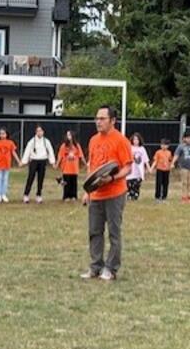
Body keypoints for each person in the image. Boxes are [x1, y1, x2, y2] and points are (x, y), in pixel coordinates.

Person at [81, 106, 133, 281]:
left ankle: (111, 268)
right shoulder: (93, 140)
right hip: (96, 195)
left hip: (115, 194)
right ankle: (96, 267)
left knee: (114, 232)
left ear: (113, 121)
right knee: (94, 231)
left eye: (102, 118)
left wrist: (111, 179)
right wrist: (88, 190)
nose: (98, 122)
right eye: (97, 118)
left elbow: (127, 167)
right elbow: (92, 165)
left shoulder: (121, 141)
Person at [21, 126, 56, 204]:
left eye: (41, 131)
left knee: (40, 179)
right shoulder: (32, 141)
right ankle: (26, 195)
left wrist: (52, 162)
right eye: (38, 131)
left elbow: (50, 151)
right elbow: (27, 151)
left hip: (42, 161)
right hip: (34, 161)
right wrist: (24, 161)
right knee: (30, 178)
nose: (39, 133)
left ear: (43, 132)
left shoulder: (46, 141)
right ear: (36, 132)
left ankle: (39, 195)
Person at [0, 128, 20, 203]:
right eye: (0, 134)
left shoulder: (10, 143)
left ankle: (4, 194)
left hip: (7, 163)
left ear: (6, 134)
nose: (2, 135)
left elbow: (13, 152)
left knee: (5, 179)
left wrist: (18, 161)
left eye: (3, 133)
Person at [56, 130, 85, 202]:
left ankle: (73, 196)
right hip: (66, 168)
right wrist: (57, 165)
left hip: (74, 168)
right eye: (67, 135)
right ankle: (66, 196)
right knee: (66, 183)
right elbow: (60, 156)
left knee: (74, 183)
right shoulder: (63, 146)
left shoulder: (77, 146)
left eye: (69, 135)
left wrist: (85, 163)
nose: (68, 136)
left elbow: (81, 156)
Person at [126, 133, 150, 201]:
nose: (135, 141)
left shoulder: (142, 149)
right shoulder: (129, 148)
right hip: (130, 171)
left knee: (136, 185)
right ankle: (129, 196)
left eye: (137, 139)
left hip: (138, 171)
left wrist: (149, 168)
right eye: (134, 139)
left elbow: (146, 159)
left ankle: (135, 197)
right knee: (129, 184)